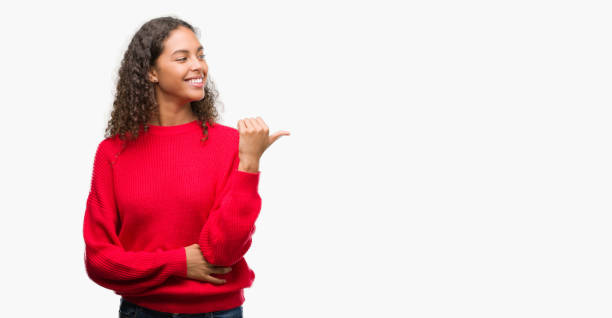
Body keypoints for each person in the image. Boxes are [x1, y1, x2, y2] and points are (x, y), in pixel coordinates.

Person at [82, 16, 289, 317]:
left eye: (200, 56)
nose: (198, 66)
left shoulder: (233, 145)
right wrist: (179, 262)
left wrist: (249, 165)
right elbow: (100, 261)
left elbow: (222, 254)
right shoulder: (112, 153)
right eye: (182, 58)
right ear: (152, 72)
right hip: (143, 312)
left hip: (220, 312)